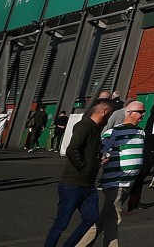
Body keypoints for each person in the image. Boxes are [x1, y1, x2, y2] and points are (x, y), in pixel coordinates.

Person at [43, 100, 113, 247]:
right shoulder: (85, 126)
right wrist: (84, 168)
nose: (110, 118)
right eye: (110, 113)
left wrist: (98, 161)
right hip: (73, 183)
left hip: (88, 184)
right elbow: (72, 149)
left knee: (91, 217)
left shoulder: (95, 128)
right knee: (61, 223)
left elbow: (87, 153)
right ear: (105, 111)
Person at [93, 101, 146, 247]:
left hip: (129, 182)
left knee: (104, 220)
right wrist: (103, 158)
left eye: (144, 112)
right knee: (113, 219)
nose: (143, 115)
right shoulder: (113, 132)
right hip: (115, 182)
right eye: (140, 112)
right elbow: (101, 154)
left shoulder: (141, 132)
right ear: (128, 113)